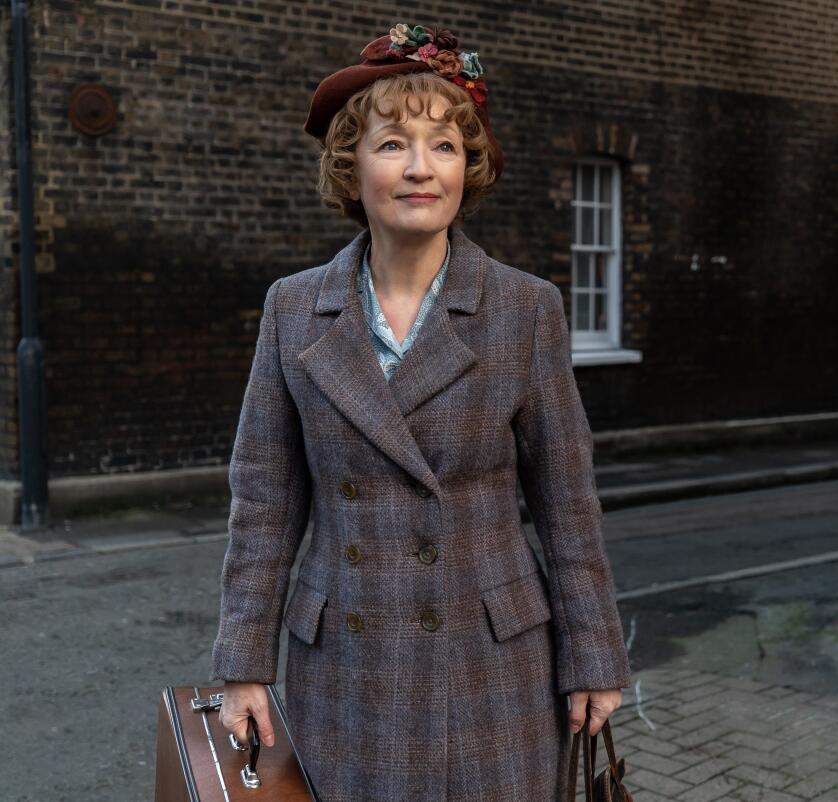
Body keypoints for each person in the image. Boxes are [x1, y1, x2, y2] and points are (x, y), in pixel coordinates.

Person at [208, 22, 631, 802]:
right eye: (392, 143)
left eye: (444, 146)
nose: (420, 168)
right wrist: (242, 664)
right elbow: (265, 502)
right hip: (345, 665)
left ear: (469, 168)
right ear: (351, 165)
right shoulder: (295, 309)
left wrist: (595, 658)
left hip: (492, 664)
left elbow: (567, 503)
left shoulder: (524, 309)